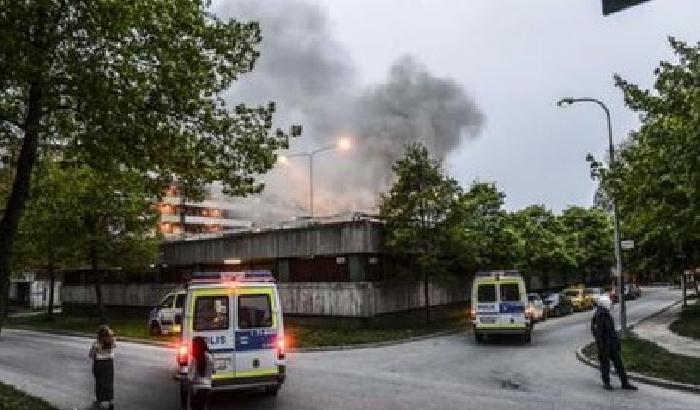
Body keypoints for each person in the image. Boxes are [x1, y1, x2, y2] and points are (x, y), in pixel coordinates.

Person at [591, 295, 637, 391]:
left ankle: (624, 383)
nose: (611, 304)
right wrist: (601, 346)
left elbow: (612, 331)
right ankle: (607, 383)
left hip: (612, 343)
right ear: (604, 304)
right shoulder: (599, 316)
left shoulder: (606, 314)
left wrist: (616, 343)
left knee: (619, 364)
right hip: (604, 345)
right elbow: (597, 333)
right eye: (609, 302)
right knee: (605, 364)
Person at [89, 325, 116, 409]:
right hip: (109, 363)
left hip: (100, 364)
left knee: (99, 383)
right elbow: (114, 347)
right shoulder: (112, 341)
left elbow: (91, 355)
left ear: (99, 334)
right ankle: (111, 402)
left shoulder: (96, 343)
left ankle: (99, 400)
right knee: (109, 383)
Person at [187, 336, 215, 410]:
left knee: (195, 407)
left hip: (196, 389)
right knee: (204, 406)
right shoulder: (210, 356)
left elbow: (191, 376)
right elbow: (213, 370)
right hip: (207, 387)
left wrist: (187, 379)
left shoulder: (195, 358)